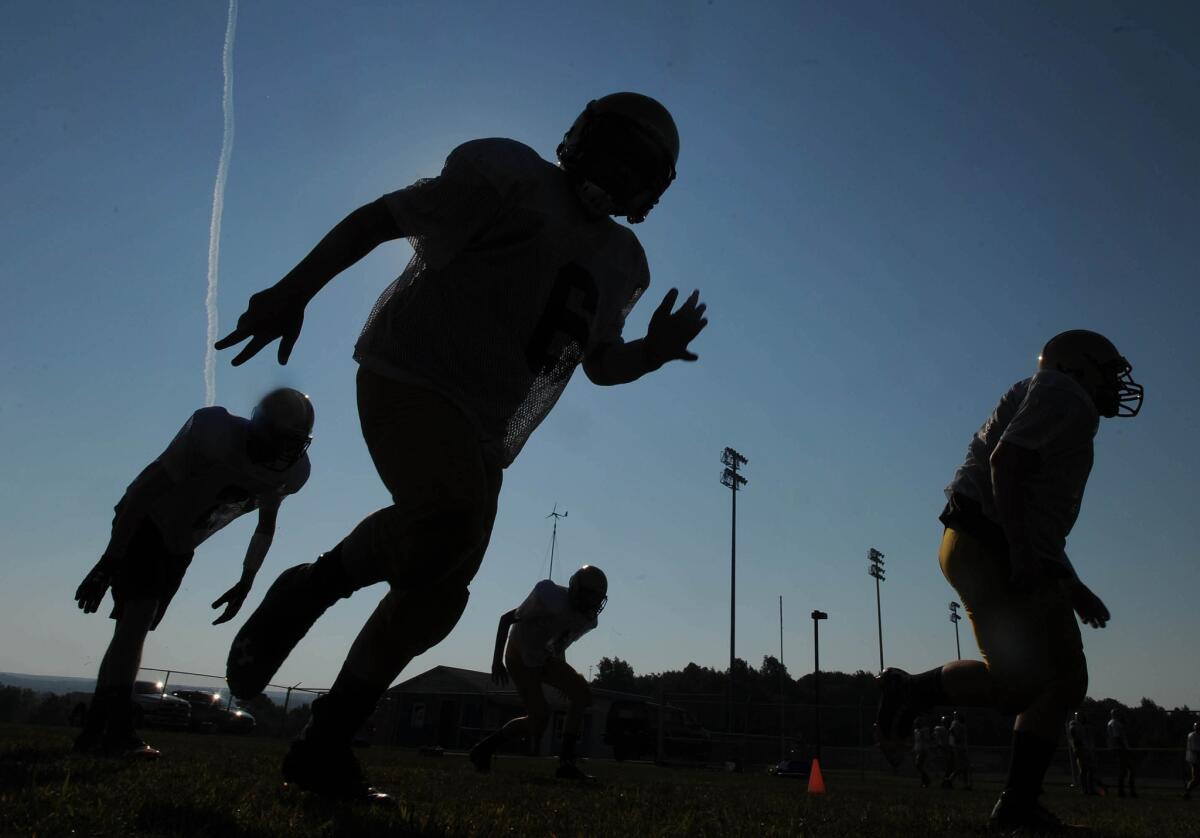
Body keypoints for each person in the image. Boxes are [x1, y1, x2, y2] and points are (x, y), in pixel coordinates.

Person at [217, 93, 705, 802]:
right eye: (617, 151)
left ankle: (323, 744)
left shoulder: (622, 258)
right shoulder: (508, 175)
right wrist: (294, 290)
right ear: (582, 137)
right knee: (445, 518)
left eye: (639, 168)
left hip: (483, 428)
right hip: (409, 371)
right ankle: (316, 584)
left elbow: (598, 363)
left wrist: (652, 354)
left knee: (439, 594)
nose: (620, 173)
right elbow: (380, 218)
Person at [873, 330, 1143, 832]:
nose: (1115, 385)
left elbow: (1030, 508)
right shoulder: (1067, 397)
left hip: (975, 542)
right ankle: (1014, 804)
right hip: (991, 543)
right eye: (1108, 371)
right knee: (1057, 679)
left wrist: (1069, 581)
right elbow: (1008, 464)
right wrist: (1021, 553)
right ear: (1078, 368)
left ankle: (917, 695)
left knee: (1030, 684)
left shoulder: (1050, 395)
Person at [72, 389, 313, 758]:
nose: (282, 451)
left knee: (132, 629)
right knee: (136, 621)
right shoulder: (214, 434)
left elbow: (266, 525)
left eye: (291, 443)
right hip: (146, 519)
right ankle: (117, 730)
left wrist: (246, 581)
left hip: (180, 543)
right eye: (277, 439)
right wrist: (110, 559)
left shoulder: (292, 473)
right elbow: (143, 493)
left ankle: (93, 732)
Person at [468, 565, 608, 779]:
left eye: (596, 599)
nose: (591, 603)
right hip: (519, 655)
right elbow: (506, 619)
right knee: (539, 720)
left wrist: (564, 673)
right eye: (589, 596)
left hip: (545, 657)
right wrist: (497, 661)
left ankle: (566, 763)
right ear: (576, 589)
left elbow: (559, 642)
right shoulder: (549, 599)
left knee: (581, 693)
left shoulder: (587, 619)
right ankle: (484, 749)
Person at [1106, 708, 1136, 798]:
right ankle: (1125, 791)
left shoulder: (1111, 723)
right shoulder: (1115, 723)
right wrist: (1124, 748)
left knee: (1125, 770)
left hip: (1118, 748)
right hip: (1120, 749)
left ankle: (1123, 791)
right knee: (1128, 770)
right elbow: (1117, 737)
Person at [947, 711, 972, 790]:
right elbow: (951, 730)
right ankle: (949, 781)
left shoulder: (959, 723)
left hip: (962, 747)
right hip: (959, 748)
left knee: (965, 767)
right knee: (961, 767)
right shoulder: (956, 723)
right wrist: (956, 738)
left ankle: (966, 785)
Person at [933, 715, 953, 789]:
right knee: (945, 768)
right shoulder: (940, 729)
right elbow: (936, 739)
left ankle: (946, 782)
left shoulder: (948, 729)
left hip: (947, 749)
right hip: (942, 750)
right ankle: (945, 783)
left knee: (949, 768)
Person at [913, 716, 933, 788]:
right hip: (918, 749)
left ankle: (927, 779)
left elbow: (927, 739)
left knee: (918, 765)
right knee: (920, 766)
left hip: (923, 749)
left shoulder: (924, 730)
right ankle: (924, 782)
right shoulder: (916, 731)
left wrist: (922, 734)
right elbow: (916, 741)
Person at [1185, 721, 1199, 800]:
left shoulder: (1193, 735)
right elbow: (1195, 749)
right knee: (1196, 778)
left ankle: (1187, 792)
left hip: (1193, 759)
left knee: (1196, 778)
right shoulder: (1194, 735)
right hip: (1194, 759)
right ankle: (1187, 792)